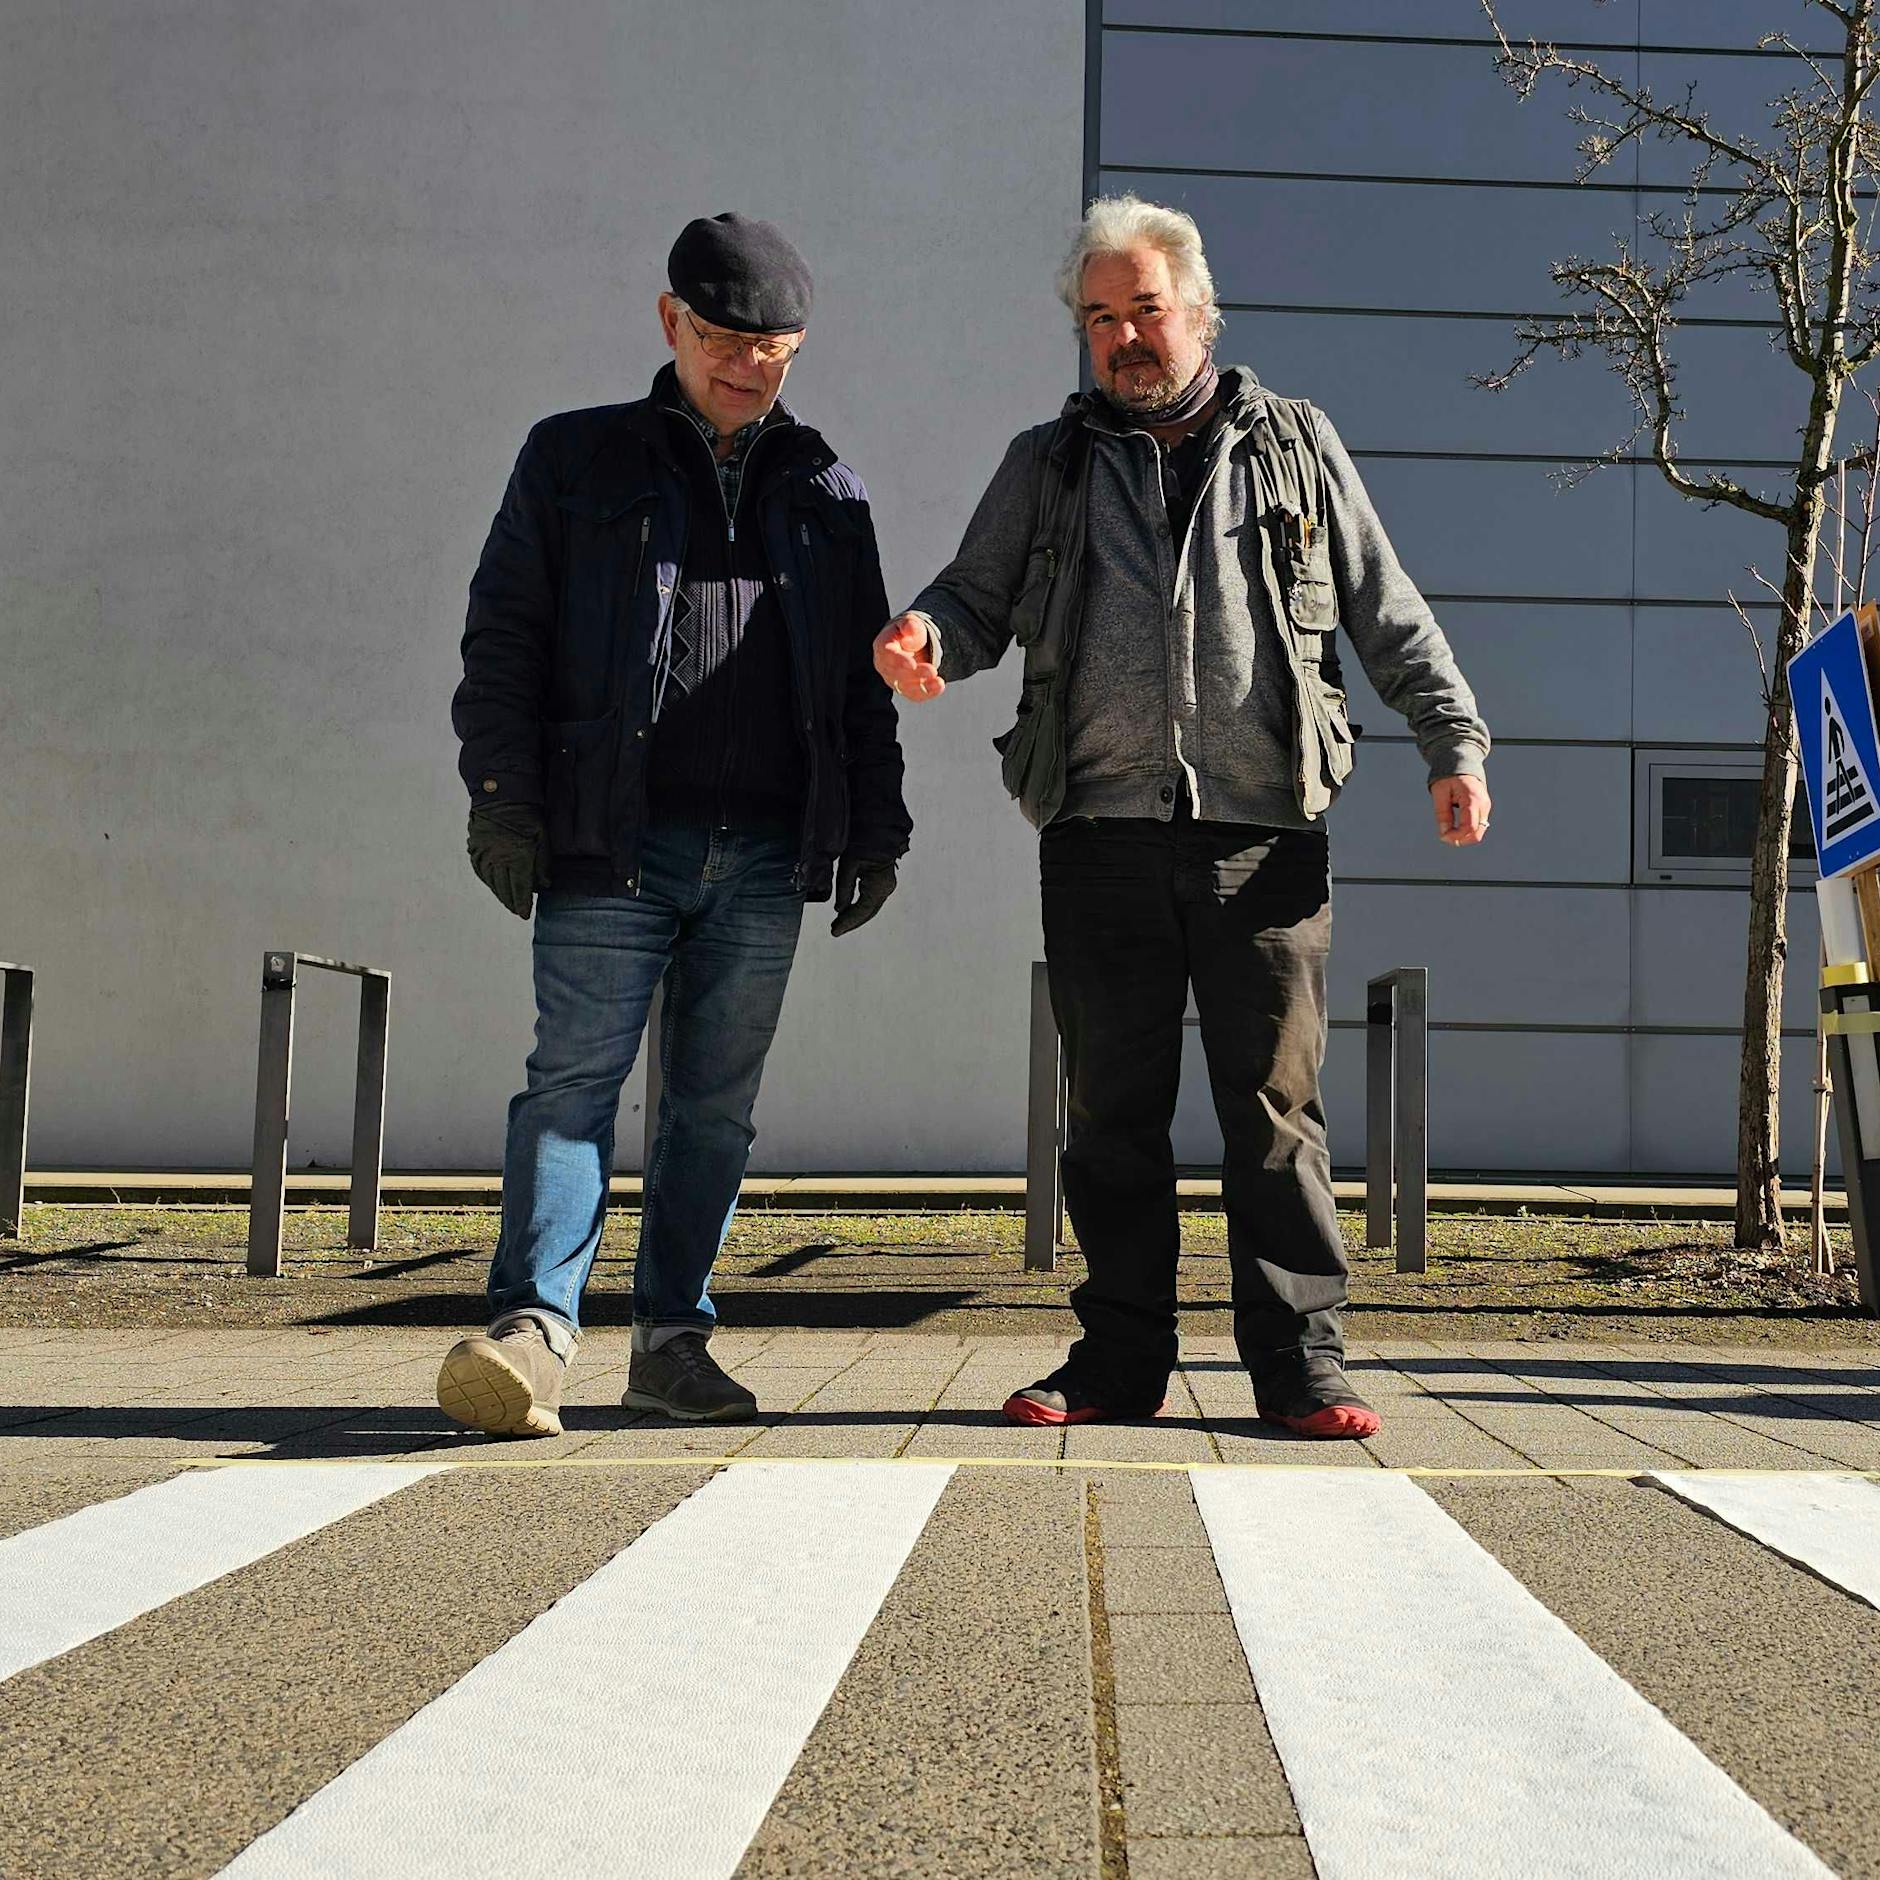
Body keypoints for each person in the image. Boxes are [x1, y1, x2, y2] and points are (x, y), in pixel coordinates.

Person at [874, 194, 1490, 1439]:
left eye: (1142, 309)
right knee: (1110, 1115)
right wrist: (925, 632)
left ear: (1198, 312)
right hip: (1096, 826)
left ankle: (1299, 1365)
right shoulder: (1043, 463)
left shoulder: (1295, 445)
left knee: (1272, 1115)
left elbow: (1383, 606)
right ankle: (1115, 1363)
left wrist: (1452, 740)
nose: (1121, 337)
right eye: (1097, 318)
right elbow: (973, 593)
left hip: (1263, 832)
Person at [441, 212, 910, 1436]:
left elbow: (860, 681)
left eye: (776, 346)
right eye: (724, 338)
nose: (749, 364)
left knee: (712, 1107)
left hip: (765, 851)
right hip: (616, 839)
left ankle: (672, 1345)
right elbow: (503, 640)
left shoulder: (826, 489)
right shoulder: (573, 460)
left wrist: (877, 827)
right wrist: (501, 798)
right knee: (573, 1085)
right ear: (670, 322)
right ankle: (533, 1334)